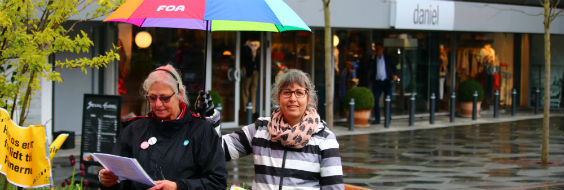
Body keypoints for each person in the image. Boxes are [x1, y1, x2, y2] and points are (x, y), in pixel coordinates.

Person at [98, 64, 227, 190]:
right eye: (152, 98)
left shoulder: (201, 131)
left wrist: (178, 187)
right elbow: (119, 178)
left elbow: (217, 182)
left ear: (180, 94)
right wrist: (108, 181)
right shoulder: (134, 129)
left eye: (164, 98)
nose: (158, 104)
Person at [219, 69, 344, 189]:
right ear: (278, 98)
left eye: (299, 93)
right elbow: (218, 148)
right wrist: (209, 121)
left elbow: (333, 187)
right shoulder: (261, 129)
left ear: (308, 99)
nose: (292, 99)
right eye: (287, 92)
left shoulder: (324, 139)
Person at [370, 43, 398, 124]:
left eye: (380, 49)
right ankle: (377, 118)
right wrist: (372, 57)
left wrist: (395, 74)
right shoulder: (374, 59)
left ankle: (388, 117)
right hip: (377, 82)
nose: (378, 51)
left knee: (388, 100)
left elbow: (393, 66)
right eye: (377, 49)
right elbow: (369, 68)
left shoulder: (387, 58)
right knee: (376, 100)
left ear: (382, 50)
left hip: (386, 81)